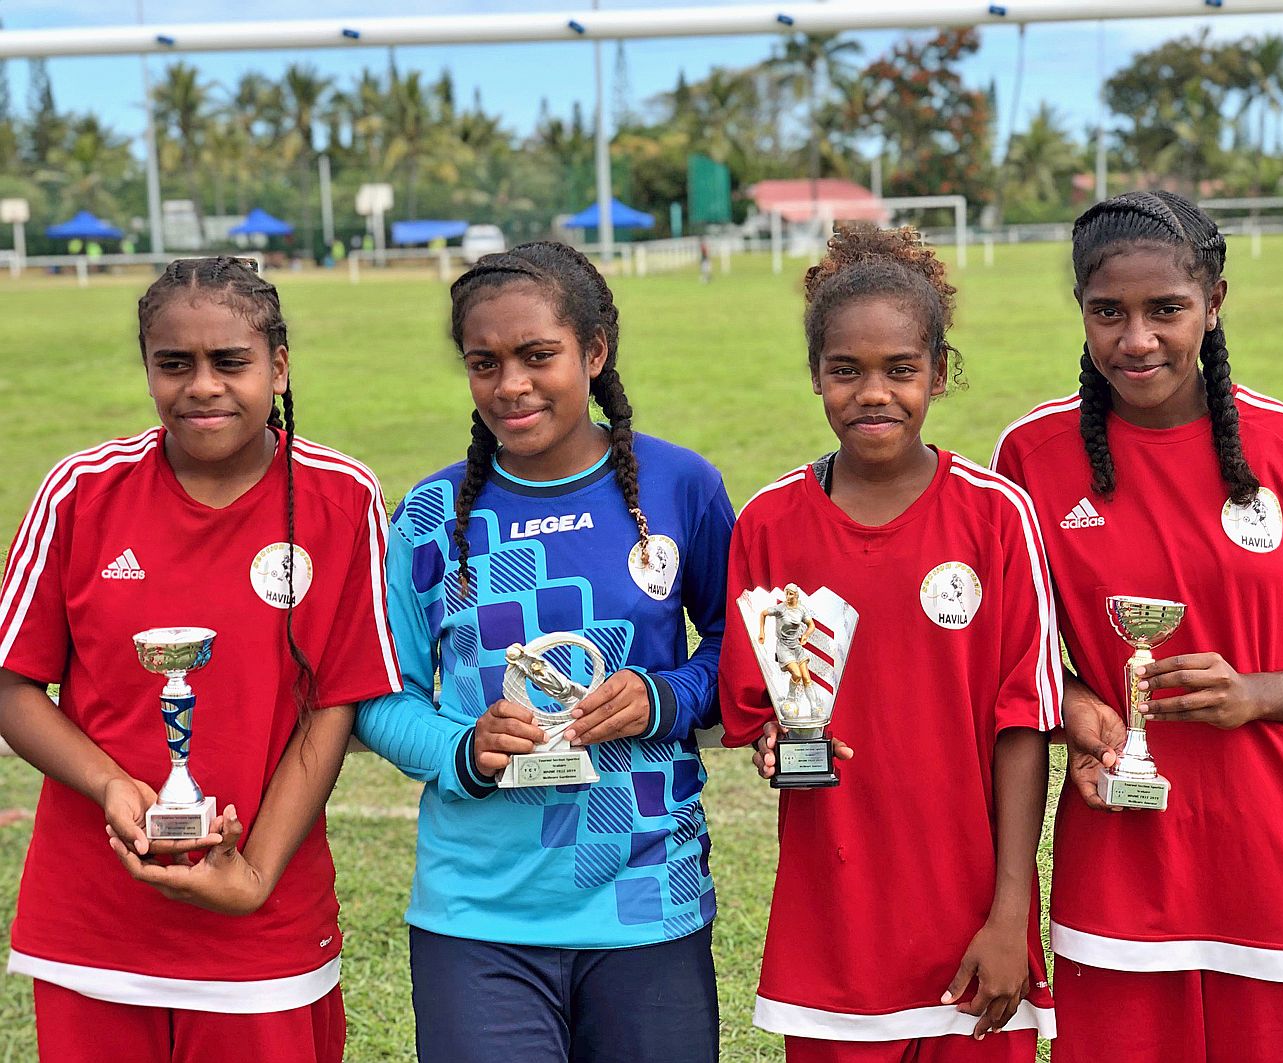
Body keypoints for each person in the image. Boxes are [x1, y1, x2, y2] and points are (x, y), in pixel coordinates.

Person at [991, 190, 1283, 1063]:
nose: (1135, 339)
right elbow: (1012, 651)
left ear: (1213, 302)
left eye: (1165, 310)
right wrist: (1074, 705)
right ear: (1080, 311)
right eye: (1108, 311)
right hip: (1120, 860)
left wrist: (1254, 693)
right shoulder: (1030, 457)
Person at [0, 256, 400, 1062]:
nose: (203, 386)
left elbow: (333, 703)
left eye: (232, 361)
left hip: (264, 932)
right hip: (94, 923)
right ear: (147, 368)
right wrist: (112, 782)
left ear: (279, 366)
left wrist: (252, 874)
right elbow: (10, 683)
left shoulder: (340, 496)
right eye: (174, 363)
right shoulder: (80, 491)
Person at [354, 240, 733, 1063]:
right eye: (483, 362)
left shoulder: (680, 487)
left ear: (594, 353)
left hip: (645, 893)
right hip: (477, 915)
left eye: (537, 356)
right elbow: (383, 695)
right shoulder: (428, 514)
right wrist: (463, 747)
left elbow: (739, 649)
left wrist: (661, 695)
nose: (510, 385)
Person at [719, 224, 1061, 1063]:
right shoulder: (769, 522)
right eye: (846, 370)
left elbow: (1023, 722)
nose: (873, 393)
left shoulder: (994, 514)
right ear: (815, 376)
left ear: (937, 374)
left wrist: (1010, 910)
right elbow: (759, 708)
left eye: (899, 370)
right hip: (834, 924)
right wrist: (773, 741)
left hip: (973, 922)